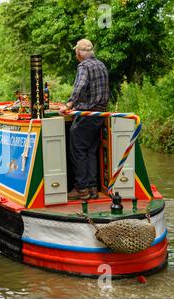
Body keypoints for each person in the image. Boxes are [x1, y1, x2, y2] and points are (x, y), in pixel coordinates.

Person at [59, 39, 109, 200]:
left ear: (80, 52)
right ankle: (93, 188)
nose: (75, 54)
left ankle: (81, 189)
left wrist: (69, 104)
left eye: (76, 52)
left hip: (87, 114)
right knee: (91, 151)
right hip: (99, 115)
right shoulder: (101, 65)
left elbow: (80, 86)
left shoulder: (84, 66)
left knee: (78, 149)